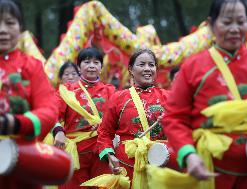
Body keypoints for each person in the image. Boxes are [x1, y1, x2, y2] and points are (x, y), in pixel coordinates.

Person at [162, 0, 247, 188]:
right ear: (211, 25)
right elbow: (174, 117)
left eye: (241, 22)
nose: (235, 29)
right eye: (227, 22)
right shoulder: (192, 67)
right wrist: (189, 154)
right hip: (211, 170)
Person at [0, 0, 58, 188]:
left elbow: (49, 110)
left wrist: (16, 123)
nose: (2, 30)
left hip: (23, 163)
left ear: (20, 27)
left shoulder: (31, 67)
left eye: (9, 23)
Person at [97, 49, 168, 182]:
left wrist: (169, 122)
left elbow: (181, 128)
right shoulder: (118, 98)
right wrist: (110, 155)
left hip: (160, 166)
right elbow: (105, 133)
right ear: (130, 69)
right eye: (141, 65)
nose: (147, 69)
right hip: (127, 168)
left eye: (151, 65)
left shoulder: (168, 97)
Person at [52, 47, 116, 188]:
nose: (92, 66)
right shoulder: (67, 90)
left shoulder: (110, 91)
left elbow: (117, 118)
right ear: (79, 67)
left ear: (101, 67)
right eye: (87, 62)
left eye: (96, 62)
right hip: (76, 153)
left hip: (102, 151)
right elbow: (52, 113)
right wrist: (59, 131)